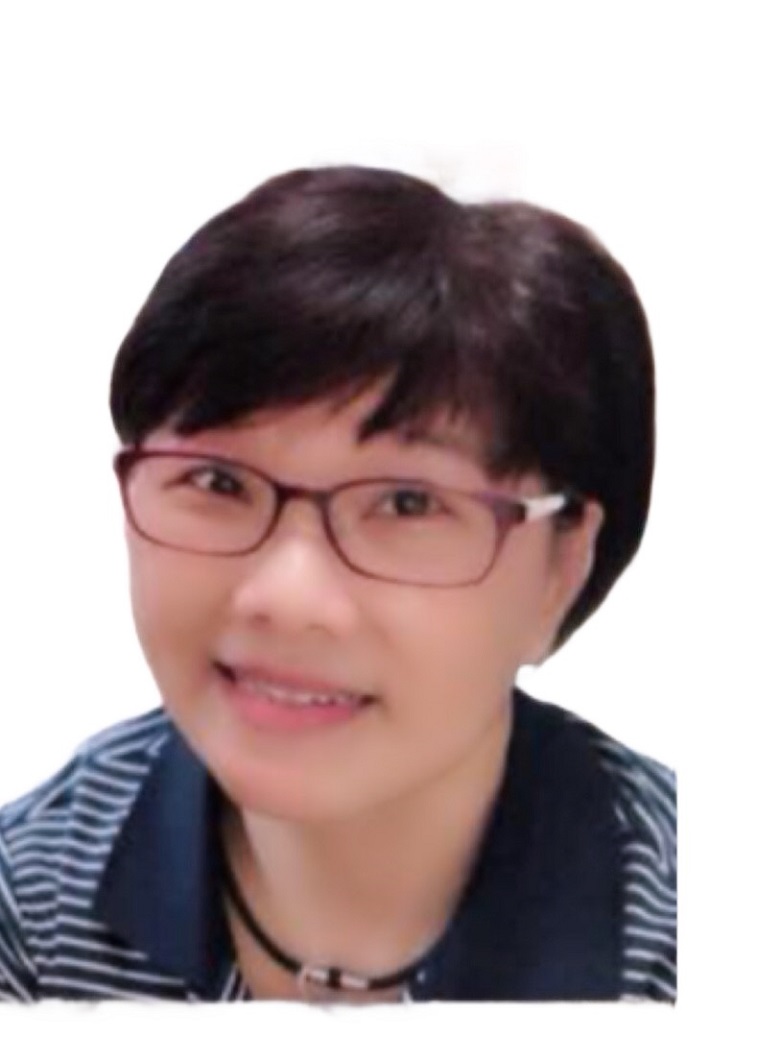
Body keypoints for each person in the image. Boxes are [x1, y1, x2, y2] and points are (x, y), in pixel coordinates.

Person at [0, 165, 676, 1003]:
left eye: (407, 503)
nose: (285, 599)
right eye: (216, 482)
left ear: (559, 569)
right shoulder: (32, 903)